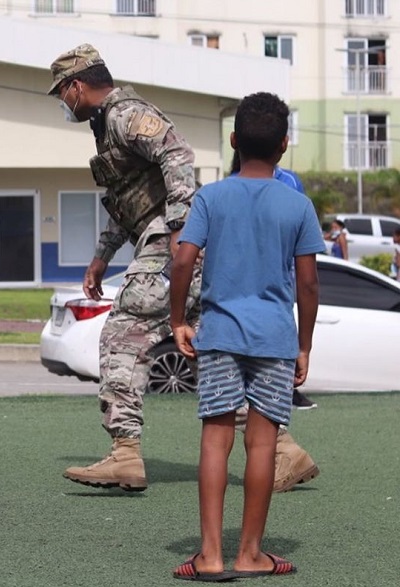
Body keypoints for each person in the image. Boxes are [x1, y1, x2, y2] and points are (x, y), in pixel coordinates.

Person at [47, 44, 315, 494]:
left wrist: (178, 229)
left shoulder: (126, 114)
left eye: (62, 93)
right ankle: (285, 450)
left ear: (77, 85)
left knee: (124, 331)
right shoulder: (107, 124)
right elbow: (130, 200)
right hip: (173, 241)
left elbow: (178, 155)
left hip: (174, 244)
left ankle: (125, 454)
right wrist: (101, 256)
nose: (63, 103)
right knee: (213, 350)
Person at [169, 92, 326, 580]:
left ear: (234, 141)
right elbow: (308, 283)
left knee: (216, 442)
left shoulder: (211, 198)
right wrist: (304, 344)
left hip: (218, 336)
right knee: (262, 446)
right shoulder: (297, 205)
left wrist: (178, 319)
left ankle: (210, 556)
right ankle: (250, 554)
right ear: (284, 145)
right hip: (275, 341)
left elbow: (182, 259)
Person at [231, 152, 319, 410]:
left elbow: (301, 234)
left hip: (283, 271)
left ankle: (287, 388)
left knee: (280, 323)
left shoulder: (290, 181)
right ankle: (250, 388)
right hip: (246, 272)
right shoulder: (232, 184)